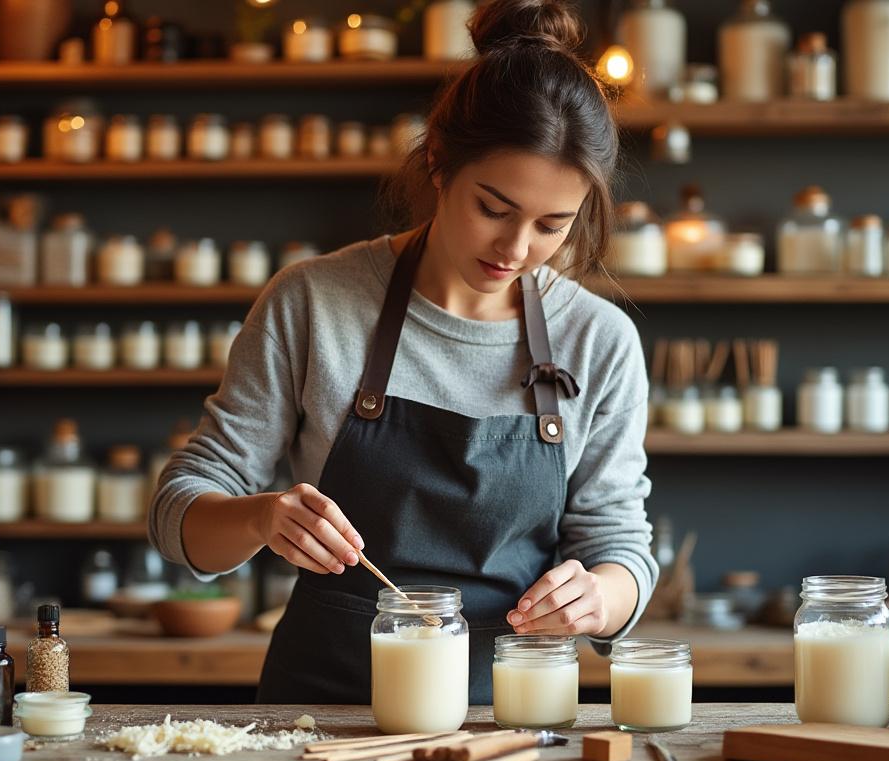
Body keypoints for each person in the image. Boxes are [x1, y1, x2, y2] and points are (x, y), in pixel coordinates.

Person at [149, 0, 655, 704]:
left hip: (508, 717)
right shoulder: (314, 302)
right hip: (320, 716)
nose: (515, 250)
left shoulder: (599, 341)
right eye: (494, 208)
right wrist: (260, 517)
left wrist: (599, 597)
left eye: (551, 225)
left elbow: (621, 546)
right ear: (440, 164)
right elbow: (178, 519)